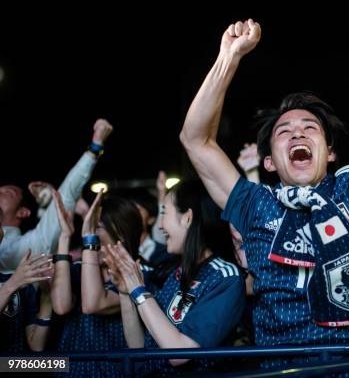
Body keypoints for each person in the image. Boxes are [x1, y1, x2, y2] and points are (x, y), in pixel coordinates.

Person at [178, 0, 349, 367]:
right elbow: (195, 139)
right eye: (284, 132)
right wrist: (228, 58)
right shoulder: (254, 202)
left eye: (310, 128)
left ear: (330, 152)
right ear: (269, 162)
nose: (297, 132)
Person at [103, 180, 245, 374]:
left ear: (187, 218)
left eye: (164, 213)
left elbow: (180, 354)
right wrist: (126, 292)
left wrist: (139, 290)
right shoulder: (175, 271)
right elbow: (139, 348)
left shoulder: (224, 277)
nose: (160, 226)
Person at [50, 191, 149, 377]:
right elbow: (61, 306)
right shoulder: (79, 268)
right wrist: (64, 236)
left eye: (98, 227)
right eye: (91, 228)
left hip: (111, 372)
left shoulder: (139, 274)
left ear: (120, 231)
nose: (91, 233)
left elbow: (92, 304)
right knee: (11, 365)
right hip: (69, 371)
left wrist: (89, 241)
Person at [0, 118, 113, 271]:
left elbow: (65, 196)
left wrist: (95, 147)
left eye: (8, 193)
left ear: (23, 212)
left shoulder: (19, 251)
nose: (0, 193)